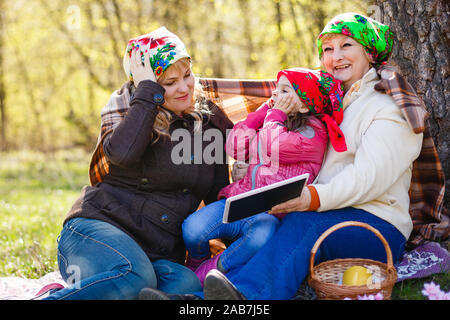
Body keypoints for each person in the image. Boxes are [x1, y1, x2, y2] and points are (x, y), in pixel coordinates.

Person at [140, 12, 424, 300]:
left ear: (369, 51)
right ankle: (198, 300)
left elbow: (368, 178)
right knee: (280, 227)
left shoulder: (387, 108)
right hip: (328, 213)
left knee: (303, 224)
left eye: (346, 45)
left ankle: (248, 297)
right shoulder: (331, 105)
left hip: (376, 224)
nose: (335, 56)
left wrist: (312, 198)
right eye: (328, 49)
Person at [43, 26, 233, 300]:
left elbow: (217, 193)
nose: (184, 87)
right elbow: (121, 155)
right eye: (169, 83)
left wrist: (241, 247)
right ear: (147, 86)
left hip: (156, 254)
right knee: (134, 277)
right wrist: (146, 95)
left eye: (187, 75)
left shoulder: (210, 121)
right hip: (95, 232)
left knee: (186, 286)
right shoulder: (132, 113)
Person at [181, 68, 345, 286]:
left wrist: (274, 115)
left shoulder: (313, 133)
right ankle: (196, 263)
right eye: (276, 89)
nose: (276, 95)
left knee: (261, 237)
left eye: (285, 90)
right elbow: (234, 146)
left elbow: (272, 145)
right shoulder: (272, 120)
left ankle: (211, 271)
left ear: (305, 104)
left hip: (271, 215)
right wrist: (262, 112)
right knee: (192, 229)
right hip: (240, 202)